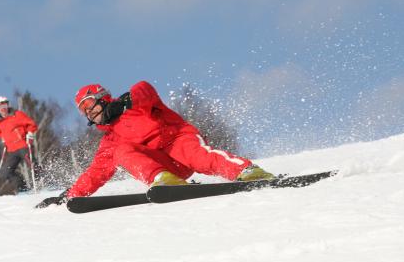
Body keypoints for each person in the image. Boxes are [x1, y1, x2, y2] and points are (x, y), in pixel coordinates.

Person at [38, 81, 274, 207]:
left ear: (102, 98)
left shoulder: (132, 103)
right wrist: (70, 195)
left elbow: (145, 89)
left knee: (199, 157)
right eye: (82, 110)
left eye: (89, 104)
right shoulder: (111, 139)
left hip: (178, 140)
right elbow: (97, 172)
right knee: (120, 152)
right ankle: (164, 180)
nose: (87, 112)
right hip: (164, 167)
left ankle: (247, 171)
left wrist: (125, 102)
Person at [0, 96, 38, 194]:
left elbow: (31, 123)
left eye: (4, 105)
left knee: (32, 164)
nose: (3, 109)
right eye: (0, 107)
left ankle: (48, 183)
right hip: (11, 150)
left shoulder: (17, 114)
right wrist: (3, 139)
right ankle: (23, 189)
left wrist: (30, 133)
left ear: (8, 105)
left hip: (23, 146)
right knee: (7, 172)